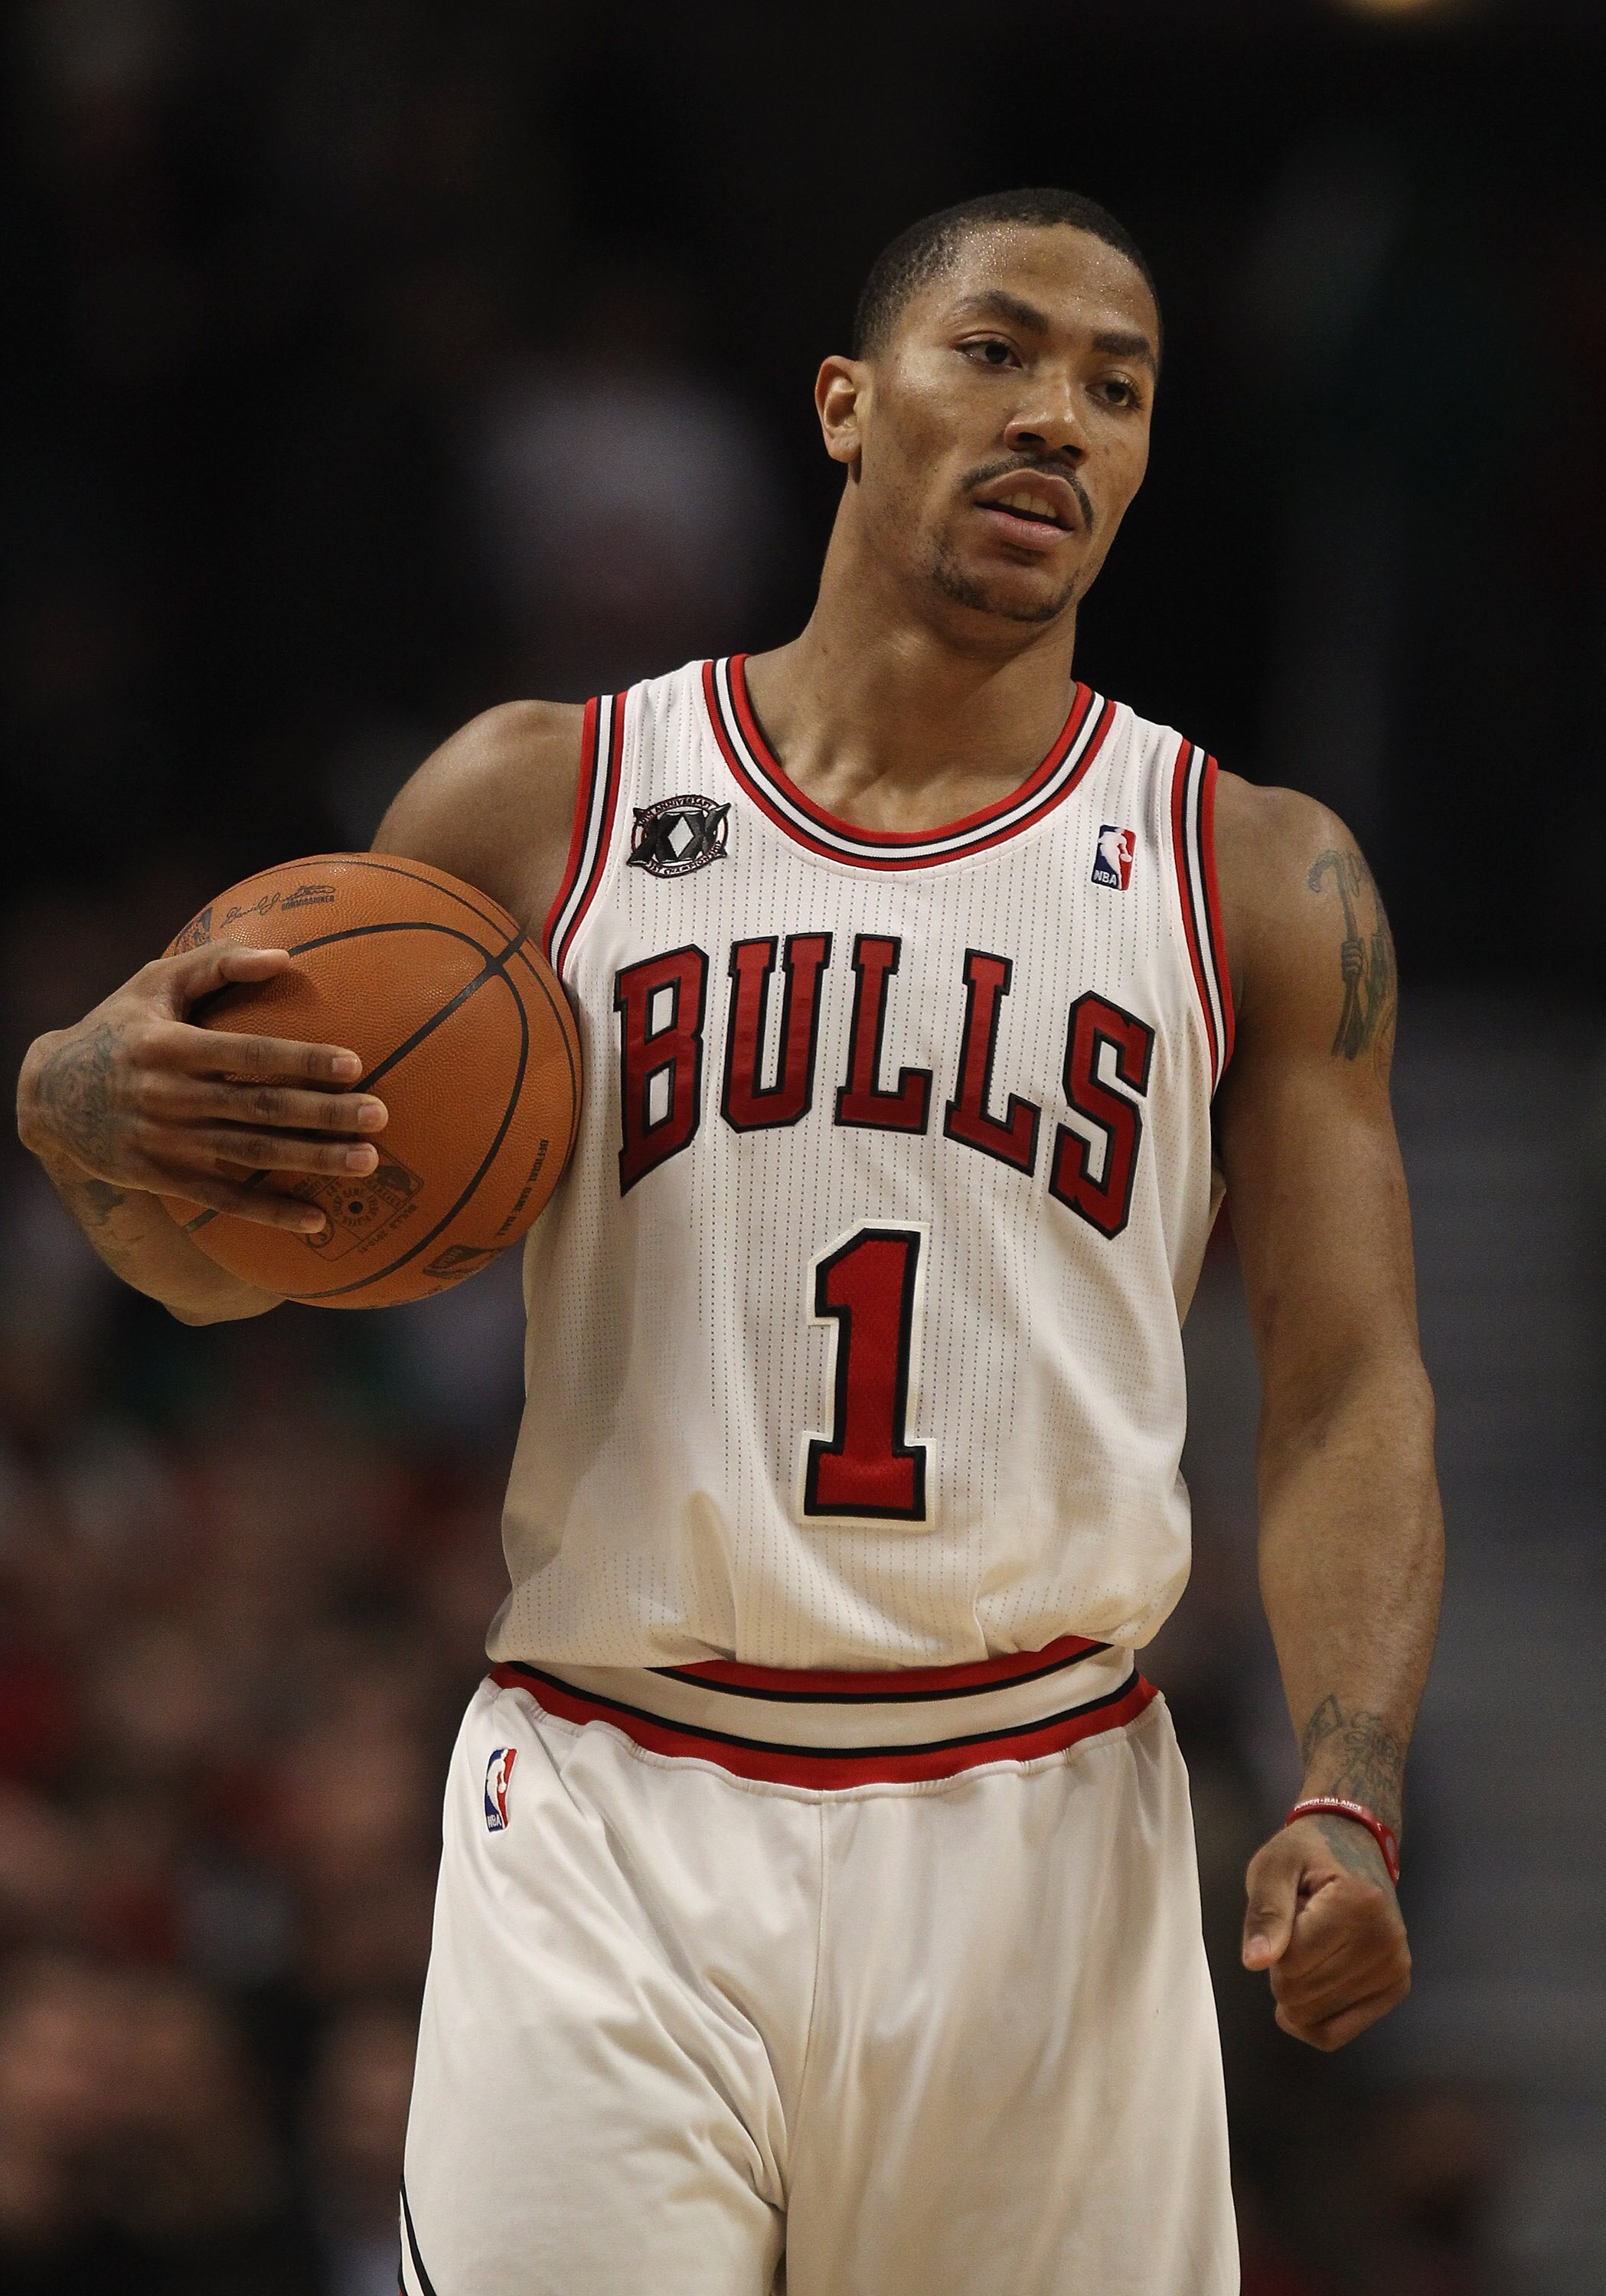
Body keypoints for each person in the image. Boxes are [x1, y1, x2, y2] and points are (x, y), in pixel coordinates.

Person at [15, 188, 1444, 2295]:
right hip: (614, 1802)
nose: (1059, 415)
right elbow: (238, 1269)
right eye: (1003, 351)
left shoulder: (1251, 874)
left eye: (1117, 389)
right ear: (847, 408)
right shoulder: (539, 802)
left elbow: (1344, 1387)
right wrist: (81, 1116)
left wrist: (1346, 1787)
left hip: (1041, 1811)